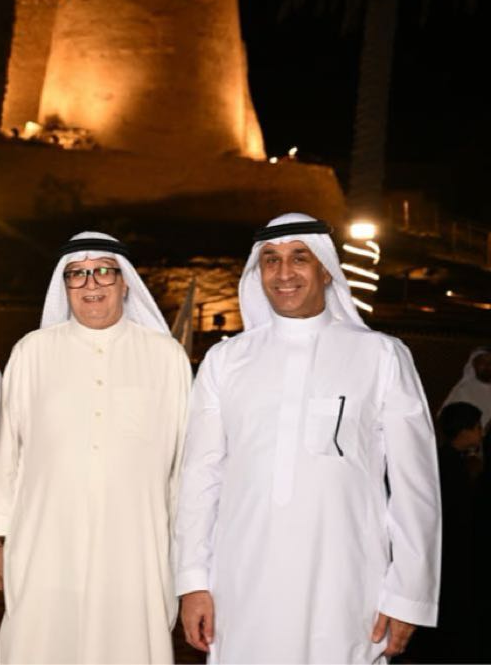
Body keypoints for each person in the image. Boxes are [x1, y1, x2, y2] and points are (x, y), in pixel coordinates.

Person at [175, 212, 441, 663]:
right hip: (242, 581)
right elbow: (200, 478)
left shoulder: (381, 355)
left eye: (299, 258)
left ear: (325, 269)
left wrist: (408, 594)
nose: (284, 273)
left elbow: (415, 486)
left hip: (347, 583)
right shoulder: (226, 361)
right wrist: (193, 582)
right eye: (271, 260)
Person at [0, 232, 191, 663]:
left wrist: (185, 550)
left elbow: (182, 465)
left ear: (124, 282)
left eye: (103, 271)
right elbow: (7, 456)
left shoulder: (166, 356)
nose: (90, 283)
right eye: (77, 275)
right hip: (45, 543)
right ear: (64, 286)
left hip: (137, 548)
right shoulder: (32, 351)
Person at [412, 401, 482, 662]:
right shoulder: (450, 465)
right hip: (450, 551)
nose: (480, 433)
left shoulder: (444, 459)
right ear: (464, 431)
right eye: (477, 427)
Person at [441, 346, 491, 428]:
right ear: (474, 364)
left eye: (490, 362)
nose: (487, 366)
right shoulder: (463, 391)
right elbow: (447, 421)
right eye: (482, 362)